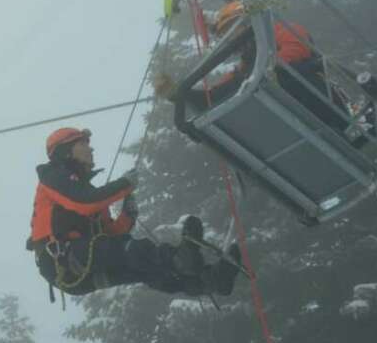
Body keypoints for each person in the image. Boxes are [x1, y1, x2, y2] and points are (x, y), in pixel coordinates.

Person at [27, 127, 239, 298]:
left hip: (78, 269)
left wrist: (128, 213)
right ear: (65, 151)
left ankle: (208, 282)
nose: (91, 149)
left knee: (144, 267)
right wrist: (125, 184)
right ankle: (180, 258)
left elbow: (112, 232)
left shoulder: (84, 189)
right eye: (83, 144)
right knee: (135, 250)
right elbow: (85, 202)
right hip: (61, 260)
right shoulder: (52, 176)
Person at [153, 1, 355, 136]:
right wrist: (178, 94)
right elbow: (215, 96)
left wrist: (258, 75)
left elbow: (295, 49)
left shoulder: (280, 32)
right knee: (237, 94)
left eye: (233, 29)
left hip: (319, 105)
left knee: (282, 75)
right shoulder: (246, 66)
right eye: (227, 34)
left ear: (247, 22)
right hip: (287, 123)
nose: (232, 37)